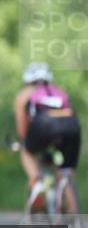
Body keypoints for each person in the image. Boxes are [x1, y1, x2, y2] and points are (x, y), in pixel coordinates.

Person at [13, 62, 81, 210]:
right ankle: (74, 213)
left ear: (27, 80)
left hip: (43, 125)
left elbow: (22, 131)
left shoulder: (24, 94)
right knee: (65, 170)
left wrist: (25, 141)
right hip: (71, 125)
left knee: (26, 150)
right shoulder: (59, 91)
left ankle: (37, 183)